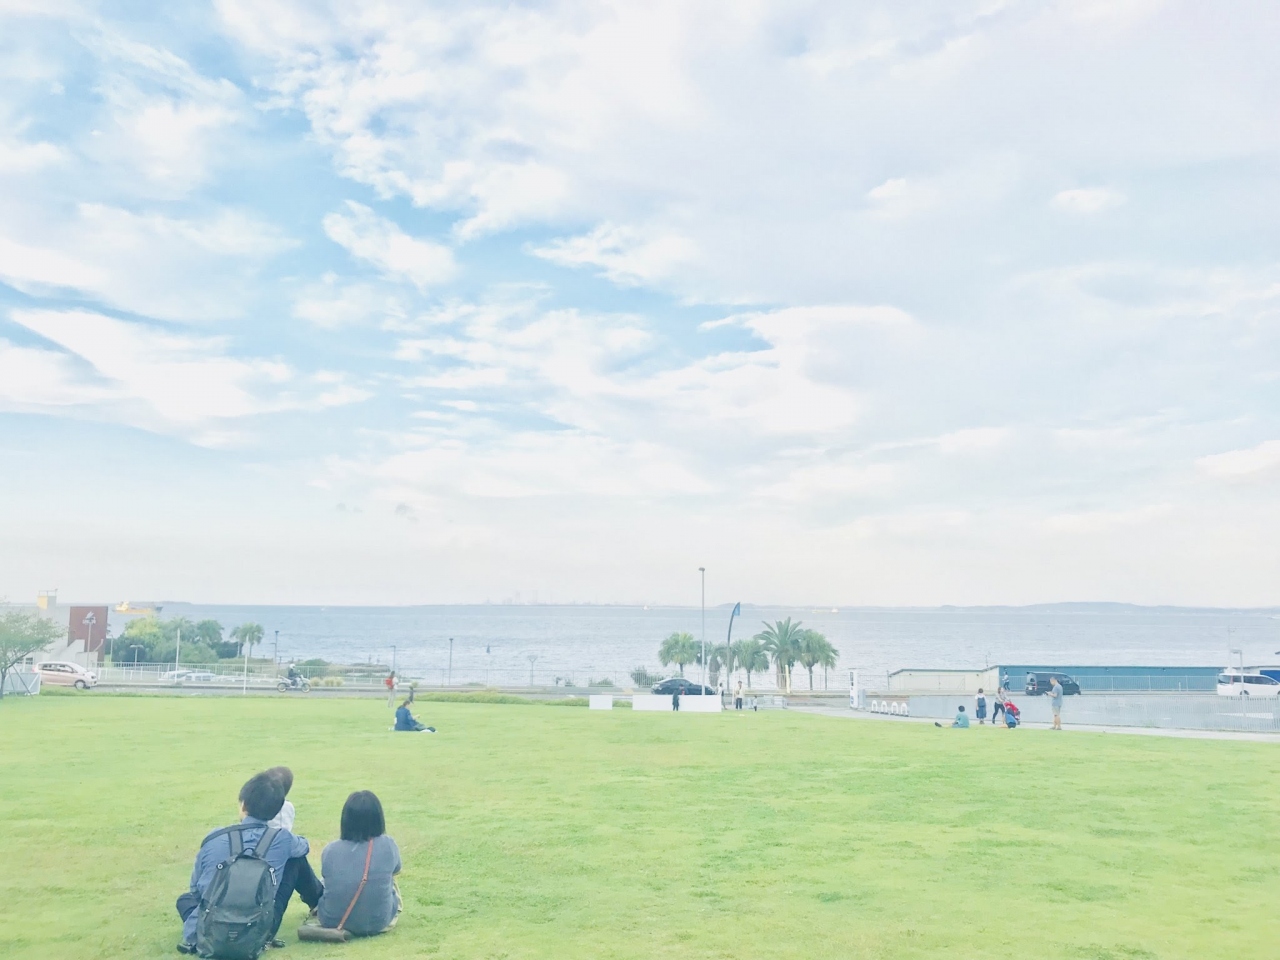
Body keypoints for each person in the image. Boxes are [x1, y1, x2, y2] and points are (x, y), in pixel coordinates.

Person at [175, 771, 312, 955]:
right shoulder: (282, 838)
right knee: (295, 860)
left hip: (212, 920)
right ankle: (319, 903)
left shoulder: (215, 836)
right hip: (259, 928)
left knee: (185, 900)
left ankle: (213, 935)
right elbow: (304, 847)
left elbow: (196, 889)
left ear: (243, 804)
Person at [315, 791, 402, 937]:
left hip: (332, 921)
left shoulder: (330, 849)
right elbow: (397, 870)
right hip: (379, 922)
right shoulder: (388, 844)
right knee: (391, 879)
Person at [266, 767, 324, 927]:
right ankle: (318, 900)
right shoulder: (285, 808)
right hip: (263, 916)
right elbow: (293, 846)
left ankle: (318, 898)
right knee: (295, 859)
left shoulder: (229, 837)